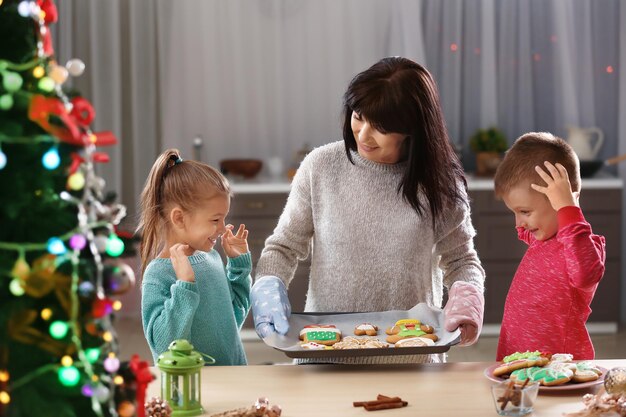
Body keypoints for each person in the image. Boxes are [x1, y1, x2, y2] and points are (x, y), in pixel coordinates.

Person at [251, 56, 486, 363]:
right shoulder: (320, 167)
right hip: (323, 357)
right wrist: (268, 285)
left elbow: (461, 260)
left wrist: (467, 300)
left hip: (412, 357)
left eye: (381, 127)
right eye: (359, 116)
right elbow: (283, 246)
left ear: (412, 130)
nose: (363, 135)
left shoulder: (439, 183)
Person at [494, 132, 606, 360]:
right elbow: (524, 228)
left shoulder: (581, 244)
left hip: (557, 364)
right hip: (519, 356)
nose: (519, 223)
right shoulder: (540, 239)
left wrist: (568, 208)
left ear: (560, 201)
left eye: (524, 211)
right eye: (514, 212)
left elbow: (586, 275)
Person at [137, 149, 252, 365]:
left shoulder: (213, 260)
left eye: (224, 218)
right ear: (179, 218)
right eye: (215, 220)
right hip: (191, 391)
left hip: (232, 381)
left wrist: (238, 268)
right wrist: (184, 286)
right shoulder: (158, 274)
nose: (223, 228)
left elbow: (233, 320)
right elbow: (165, 348)